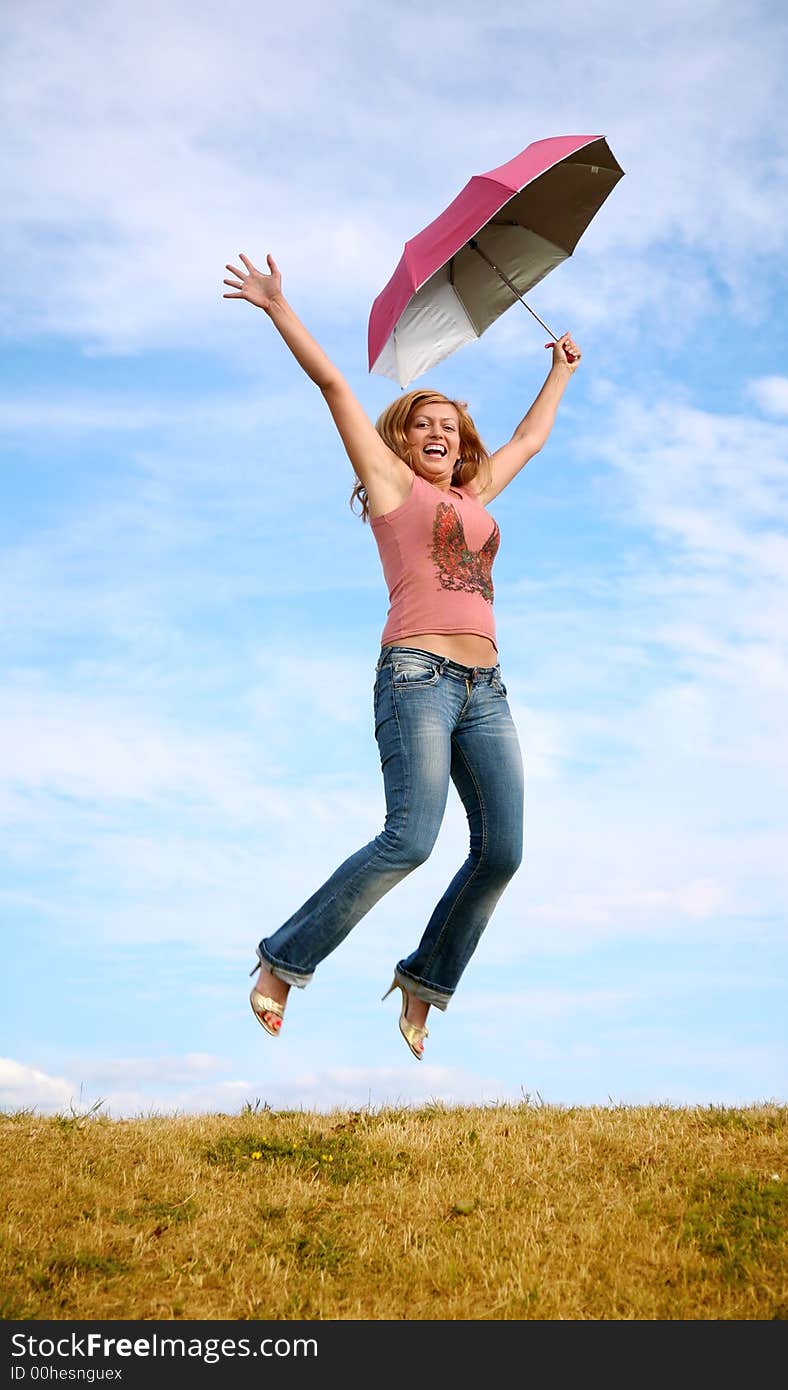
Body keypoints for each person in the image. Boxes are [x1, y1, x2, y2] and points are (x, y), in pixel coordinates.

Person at [223, 252, 581, 1059]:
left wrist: (559, 369)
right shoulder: (392, 488)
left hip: (487, 688)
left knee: (504, 851)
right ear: (402, 440)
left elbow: (529, 438)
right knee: (411, 839)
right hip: (416, 678)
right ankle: (282, 961)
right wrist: (280, 307)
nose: (438, 433)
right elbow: (335, 389)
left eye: (449, 428)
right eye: (423, 423)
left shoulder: (473, 496)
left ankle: (424, 983)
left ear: (461, 449)